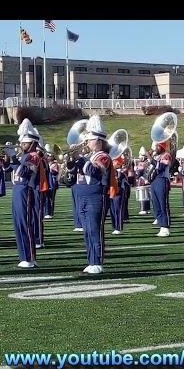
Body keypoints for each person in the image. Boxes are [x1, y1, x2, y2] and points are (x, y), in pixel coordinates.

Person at [73, 115, 117, 274]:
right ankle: (91, 260)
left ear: (99, 141)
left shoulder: (103, 157)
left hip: (96, 195)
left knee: (95, 229)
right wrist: (73, 162)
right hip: (83, 195)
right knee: (86, 231)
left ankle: (97, 261)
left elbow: (95, 171)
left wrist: (81, 159)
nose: (87, 142)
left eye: (90, 140)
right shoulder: (89, 156)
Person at [9, 119, 43, 269]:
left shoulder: (34, 156)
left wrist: (13, 159)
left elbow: (24, 172)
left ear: (32, 143)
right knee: (18, 224)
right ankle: (23, 256)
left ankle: (29, 257)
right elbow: (12, 170)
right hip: (17, 189)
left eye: (24, 143)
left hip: (26, 190)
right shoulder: (23, 156)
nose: (21, 145)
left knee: (25, 224)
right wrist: (9, 160)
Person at [148, 135, 172, 237]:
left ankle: (165, 226)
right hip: (154, 181)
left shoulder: (166, 155)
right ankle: (160, 224)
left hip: (162, 180)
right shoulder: (156, 156)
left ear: (161, 147)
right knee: (156, 203)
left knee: (163, 203)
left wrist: (150, 158)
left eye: (157, 146)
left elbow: (161, 167)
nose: (154, 149)